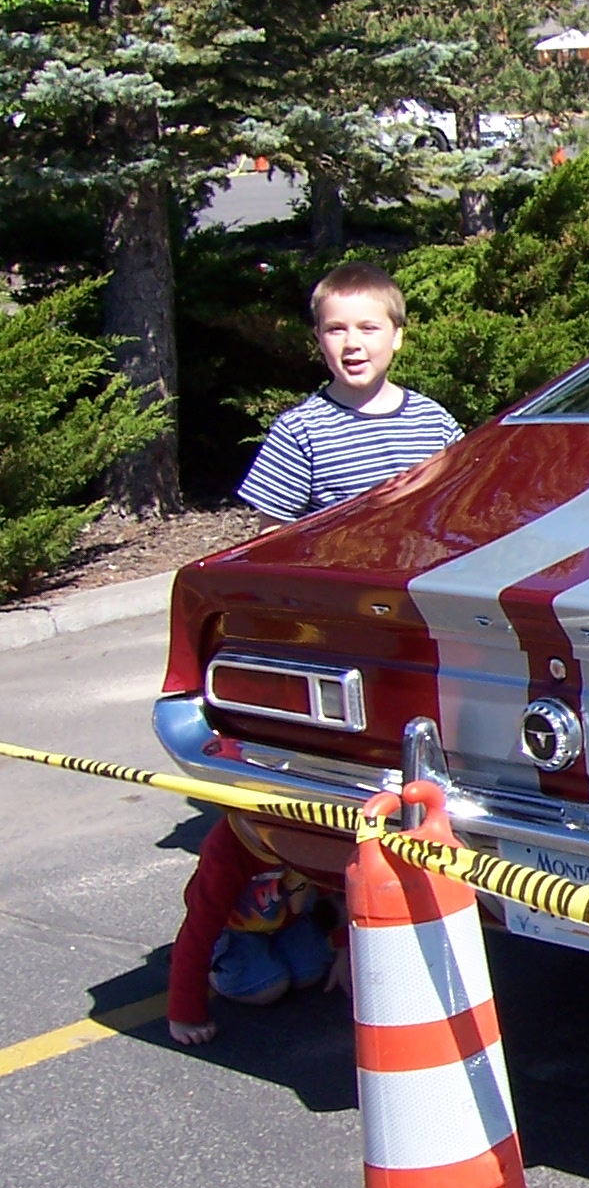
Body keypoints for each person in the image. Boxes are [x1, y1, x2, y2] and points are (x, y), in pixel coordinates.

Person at [168, 261, 463, 1045]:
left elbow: (456, 513)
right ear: (318, 341)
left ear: (398, 336)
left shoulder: (433, 423)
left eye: (368, 326)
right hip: (337, 634)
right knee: (342, 783)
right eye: (336, 329)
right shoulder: (302, 430)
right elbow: (271, 537)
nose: (352, 343)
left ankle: (387, 918)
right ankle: (339, 924)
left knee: (411, 774)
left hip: (412, 628)